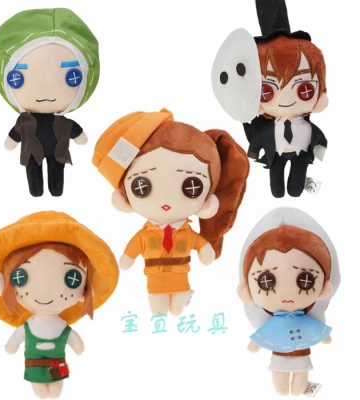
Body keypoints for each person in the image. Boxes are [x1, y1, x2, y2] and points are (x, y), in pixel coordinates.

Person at [93, 109, 249, 315]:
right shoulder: (146, 235)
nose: (166, 202)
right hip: (154, 280)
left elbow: (199, 244)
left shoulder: (185, 234)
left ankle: (177, 308)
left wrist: (204, 249)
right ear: (124, 197)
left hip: (180, 278)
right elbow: (134, 247)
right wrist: (127, 258)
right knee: (158, 309)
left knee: (177, 310)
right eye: (143, 186)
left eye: (191, 185)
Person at [0, 211, 118, 398]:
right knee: (41, 390)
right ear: (3, 286)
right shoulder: (40, 327)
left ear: (84, 292)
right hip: (34, 365)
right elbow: (20, 337)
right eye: (21, 278)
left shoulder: (52, 327)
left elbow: (64, 337)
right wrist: (12, 345)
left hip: (58, 364)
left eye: (71, 278)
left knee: (55, 390)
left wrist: (12, 347)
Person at [0, 8, 100, 196]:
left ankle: (54, 190)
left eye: (69, 76)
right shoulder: (25, 122)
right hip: (33, 151)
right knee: (34, 168)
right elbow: (15, 135)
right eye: (20, 78)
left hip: (58, 152)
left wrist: (11, 142)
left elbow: (74, 131)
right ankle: (37, 190)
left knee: (56, 168)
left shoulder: (60, 123)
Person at [237, 207, 339, 396]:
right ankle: (284, 392)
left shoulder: (303, 319)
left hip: (301, 355)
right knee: (280, 375)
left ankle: (297, 389)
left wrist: (325, 336)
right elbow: (262, 335)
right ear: (247, 290)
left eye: (305, 280)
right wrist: (254, 344)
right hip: (280, 356)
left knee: (300, 371)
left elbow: (316, 329)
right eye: (267, 281)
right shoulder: (281, 322)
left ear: (324, 288)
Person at [244, 35, 328, 197]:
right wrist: (253, 151)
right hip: (275, 155)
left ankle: (296, 189)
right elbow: (259, 139)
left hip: (301, 155)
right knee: (276, 184)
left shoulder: (308, 128)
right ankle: (278, 191)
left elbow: (319, 138)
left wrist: (320, 150)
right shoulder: (269, 129)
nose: (285, 99)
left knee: (297, 182)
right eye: (268, 90)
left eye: (304, 88)